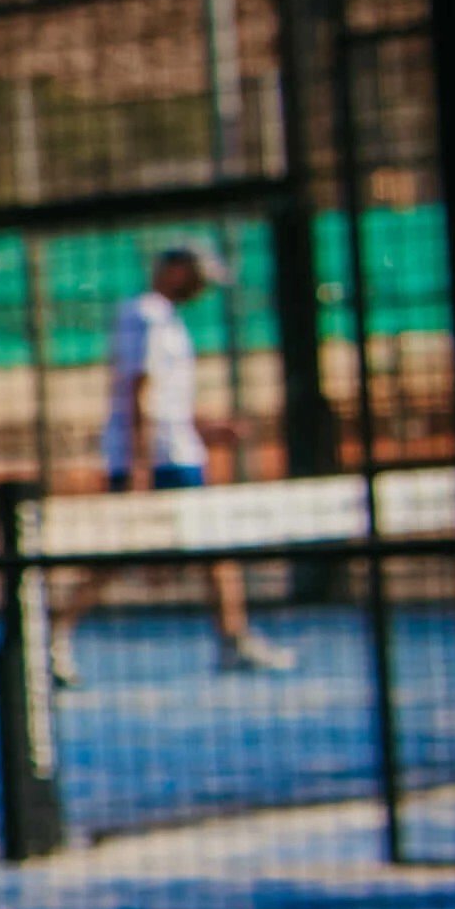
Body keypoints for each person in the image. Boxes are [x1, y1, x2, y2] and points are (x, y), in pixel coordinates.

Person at [48, 236, 295, 682]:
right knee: (115, 558)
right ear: (177, 271)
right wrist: (140, 469)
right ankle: (48, 639)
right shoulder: (143, 315)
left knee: (214, 548)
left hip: (174, 456)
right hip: (152, 462)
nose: (203, 288)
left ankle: (231, 640)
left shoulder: (168, 321)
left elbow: (166, 399)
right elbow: (138, 390)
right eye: (199, 277)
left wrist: (203, 428)